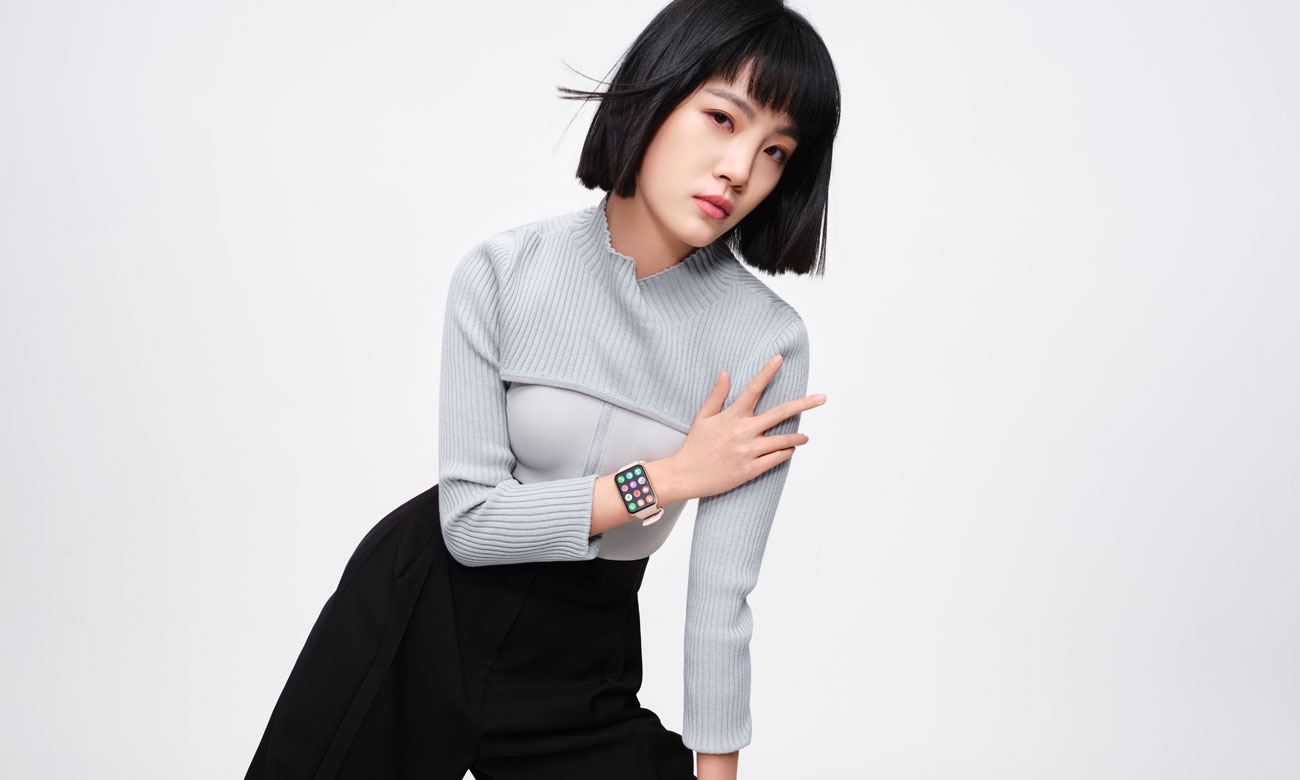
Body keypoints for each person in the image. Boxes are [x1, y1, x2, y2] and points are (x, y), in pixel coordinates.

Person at [243, 1, 839, 778]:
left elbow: (722, 595)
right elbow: (471, 524)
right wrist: (670, 478)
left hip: (580, 660)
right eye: (723, 119)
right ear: (658, 92)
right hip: (417, 613)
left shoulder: (766, 342)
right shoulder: (503, 273)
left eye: (776, 151)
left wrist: (718, 773)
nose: (740, 169)